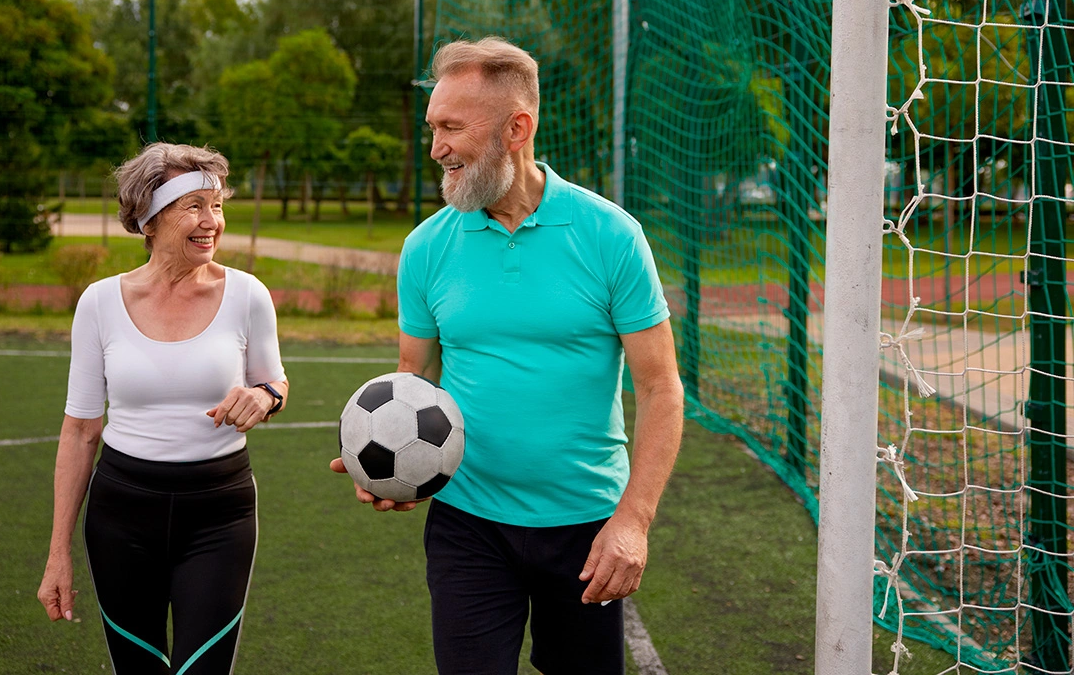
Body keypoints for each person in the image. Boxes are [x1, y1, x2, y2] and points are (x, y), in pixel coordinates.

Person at [331, 37, 684, 674]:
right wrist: (393, 465)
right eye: (432, 127)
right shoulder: (426, 247)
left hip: (586, 524)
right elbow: (414, 374)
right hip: (469, 522)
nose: (435, 147)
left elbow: (660, 387)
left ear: (516, 129)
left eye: (451, 128)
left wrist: (633, 519)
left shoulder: (611, 236)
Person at [38, 142, 289, 674]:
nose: (211, 222)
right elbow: (81, 431)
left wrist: (264, 397)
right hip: (121, 515)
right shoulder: (99, 303)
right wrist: (58, 552)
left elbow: (274, 383)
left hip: (220, 512)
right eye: (193, 206)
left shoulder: (247, 294)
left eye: (217, 205)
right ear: (148, 220)